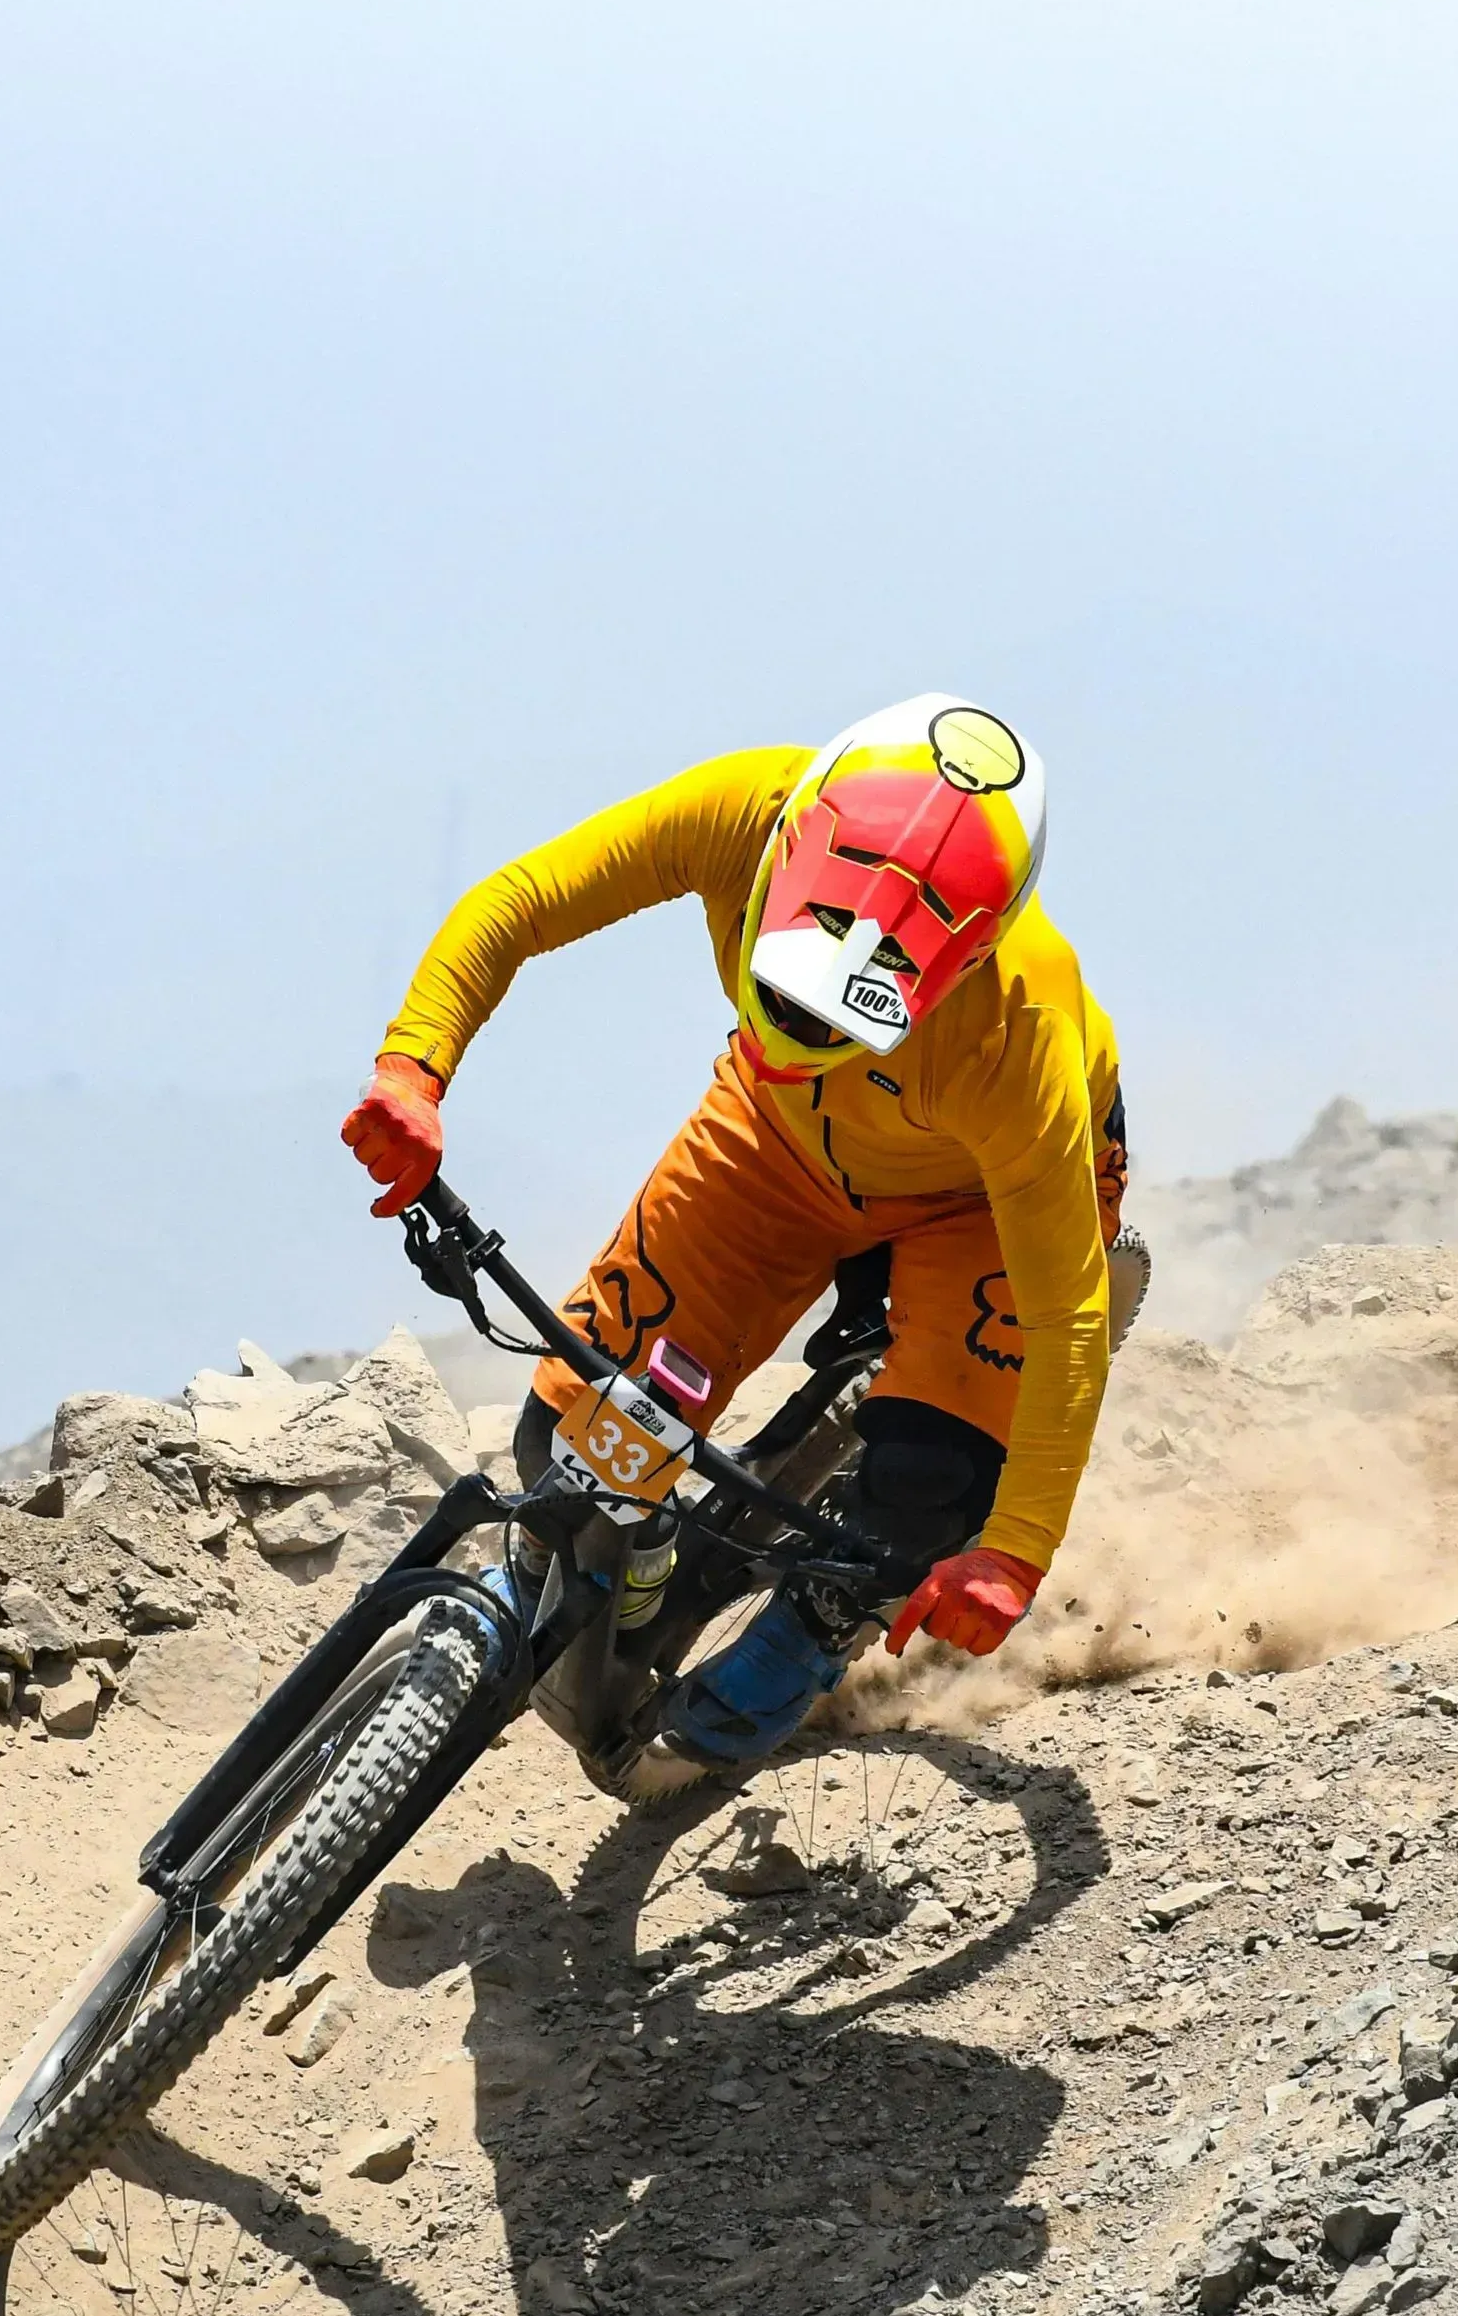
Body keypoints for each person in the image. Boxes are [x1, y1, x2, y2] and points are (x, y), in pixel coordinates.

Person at [342, 694, 1129, 1763]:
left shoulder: (1015, 1035)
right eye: (791, 983)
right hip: (771, 1137)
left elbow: (1067, 1316)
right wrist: (414, 1070)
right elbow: (523, 900)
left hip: (974, 1205)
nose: (810, 1027)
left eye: (854, 1014)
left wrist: (1017, 1552)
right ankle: (655, 1555)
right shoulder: (744, 809)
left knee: (922, 1496)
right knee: (564, 1442)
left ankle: (817, 1623)